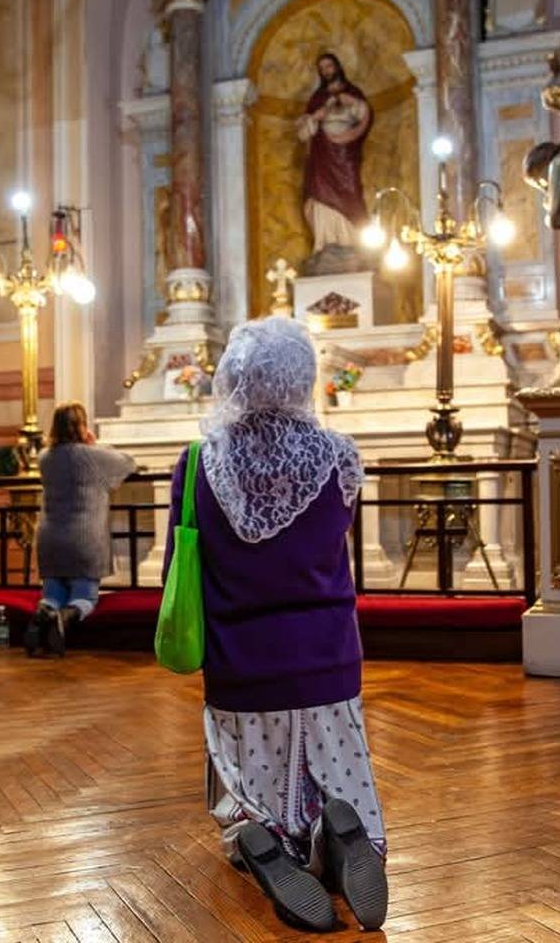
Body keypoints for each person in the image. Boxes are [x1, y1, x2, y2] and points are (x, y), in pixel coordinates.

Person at [162, 317, 388, 932]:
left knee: (248, 777)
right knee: (335, 761)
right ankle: (339, 830)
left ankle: (258, 836)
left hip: (241, 662)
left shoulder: (196, 464)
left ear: (231, 378)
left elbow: (177, 568)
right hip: (327, 658)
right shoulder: (340, 458)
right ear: (302, 379)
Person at [28, 402, 135, 657]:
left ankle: (43, 615)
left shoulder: (45, 458)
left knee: (52, 594)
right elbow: (127, 463)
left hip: (50, 538)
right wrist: (94, 445)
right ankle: (64, 619)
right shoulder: (89, 454)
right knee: (85, 598)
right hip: (83, 539)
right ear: (81, 425)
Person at [296, 53, 373, 254]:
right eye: (322, 68)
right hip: (322, 153)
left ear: (337, 67)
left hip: (346, 153)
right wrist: (315, 116)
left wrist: (349, 102)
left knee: (350, 191)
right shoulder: (318, 98)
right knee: (319, 193)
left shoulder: (352, 92)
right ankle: (324, 241)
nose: (326, 71)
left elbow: (364, 116)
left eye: (329, 66)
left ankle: (351, 241)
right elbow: (306, 131)